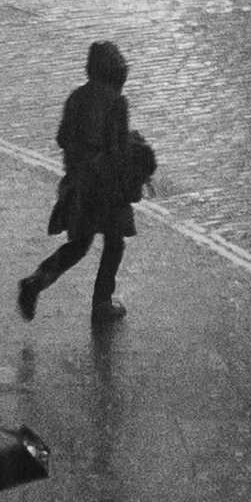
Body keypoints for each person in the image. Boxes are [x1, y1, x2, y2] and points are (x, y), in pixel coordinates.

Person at [18, 36, 155, 320]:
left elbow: (62, 138)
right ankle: (102, 302)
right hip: (105, 187)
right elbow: (116, 150)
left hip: (78, 185)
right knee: (114, 243)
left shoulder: (76, 98)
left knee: (79, 245)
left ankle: (36, 282)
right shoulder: (117, 103)